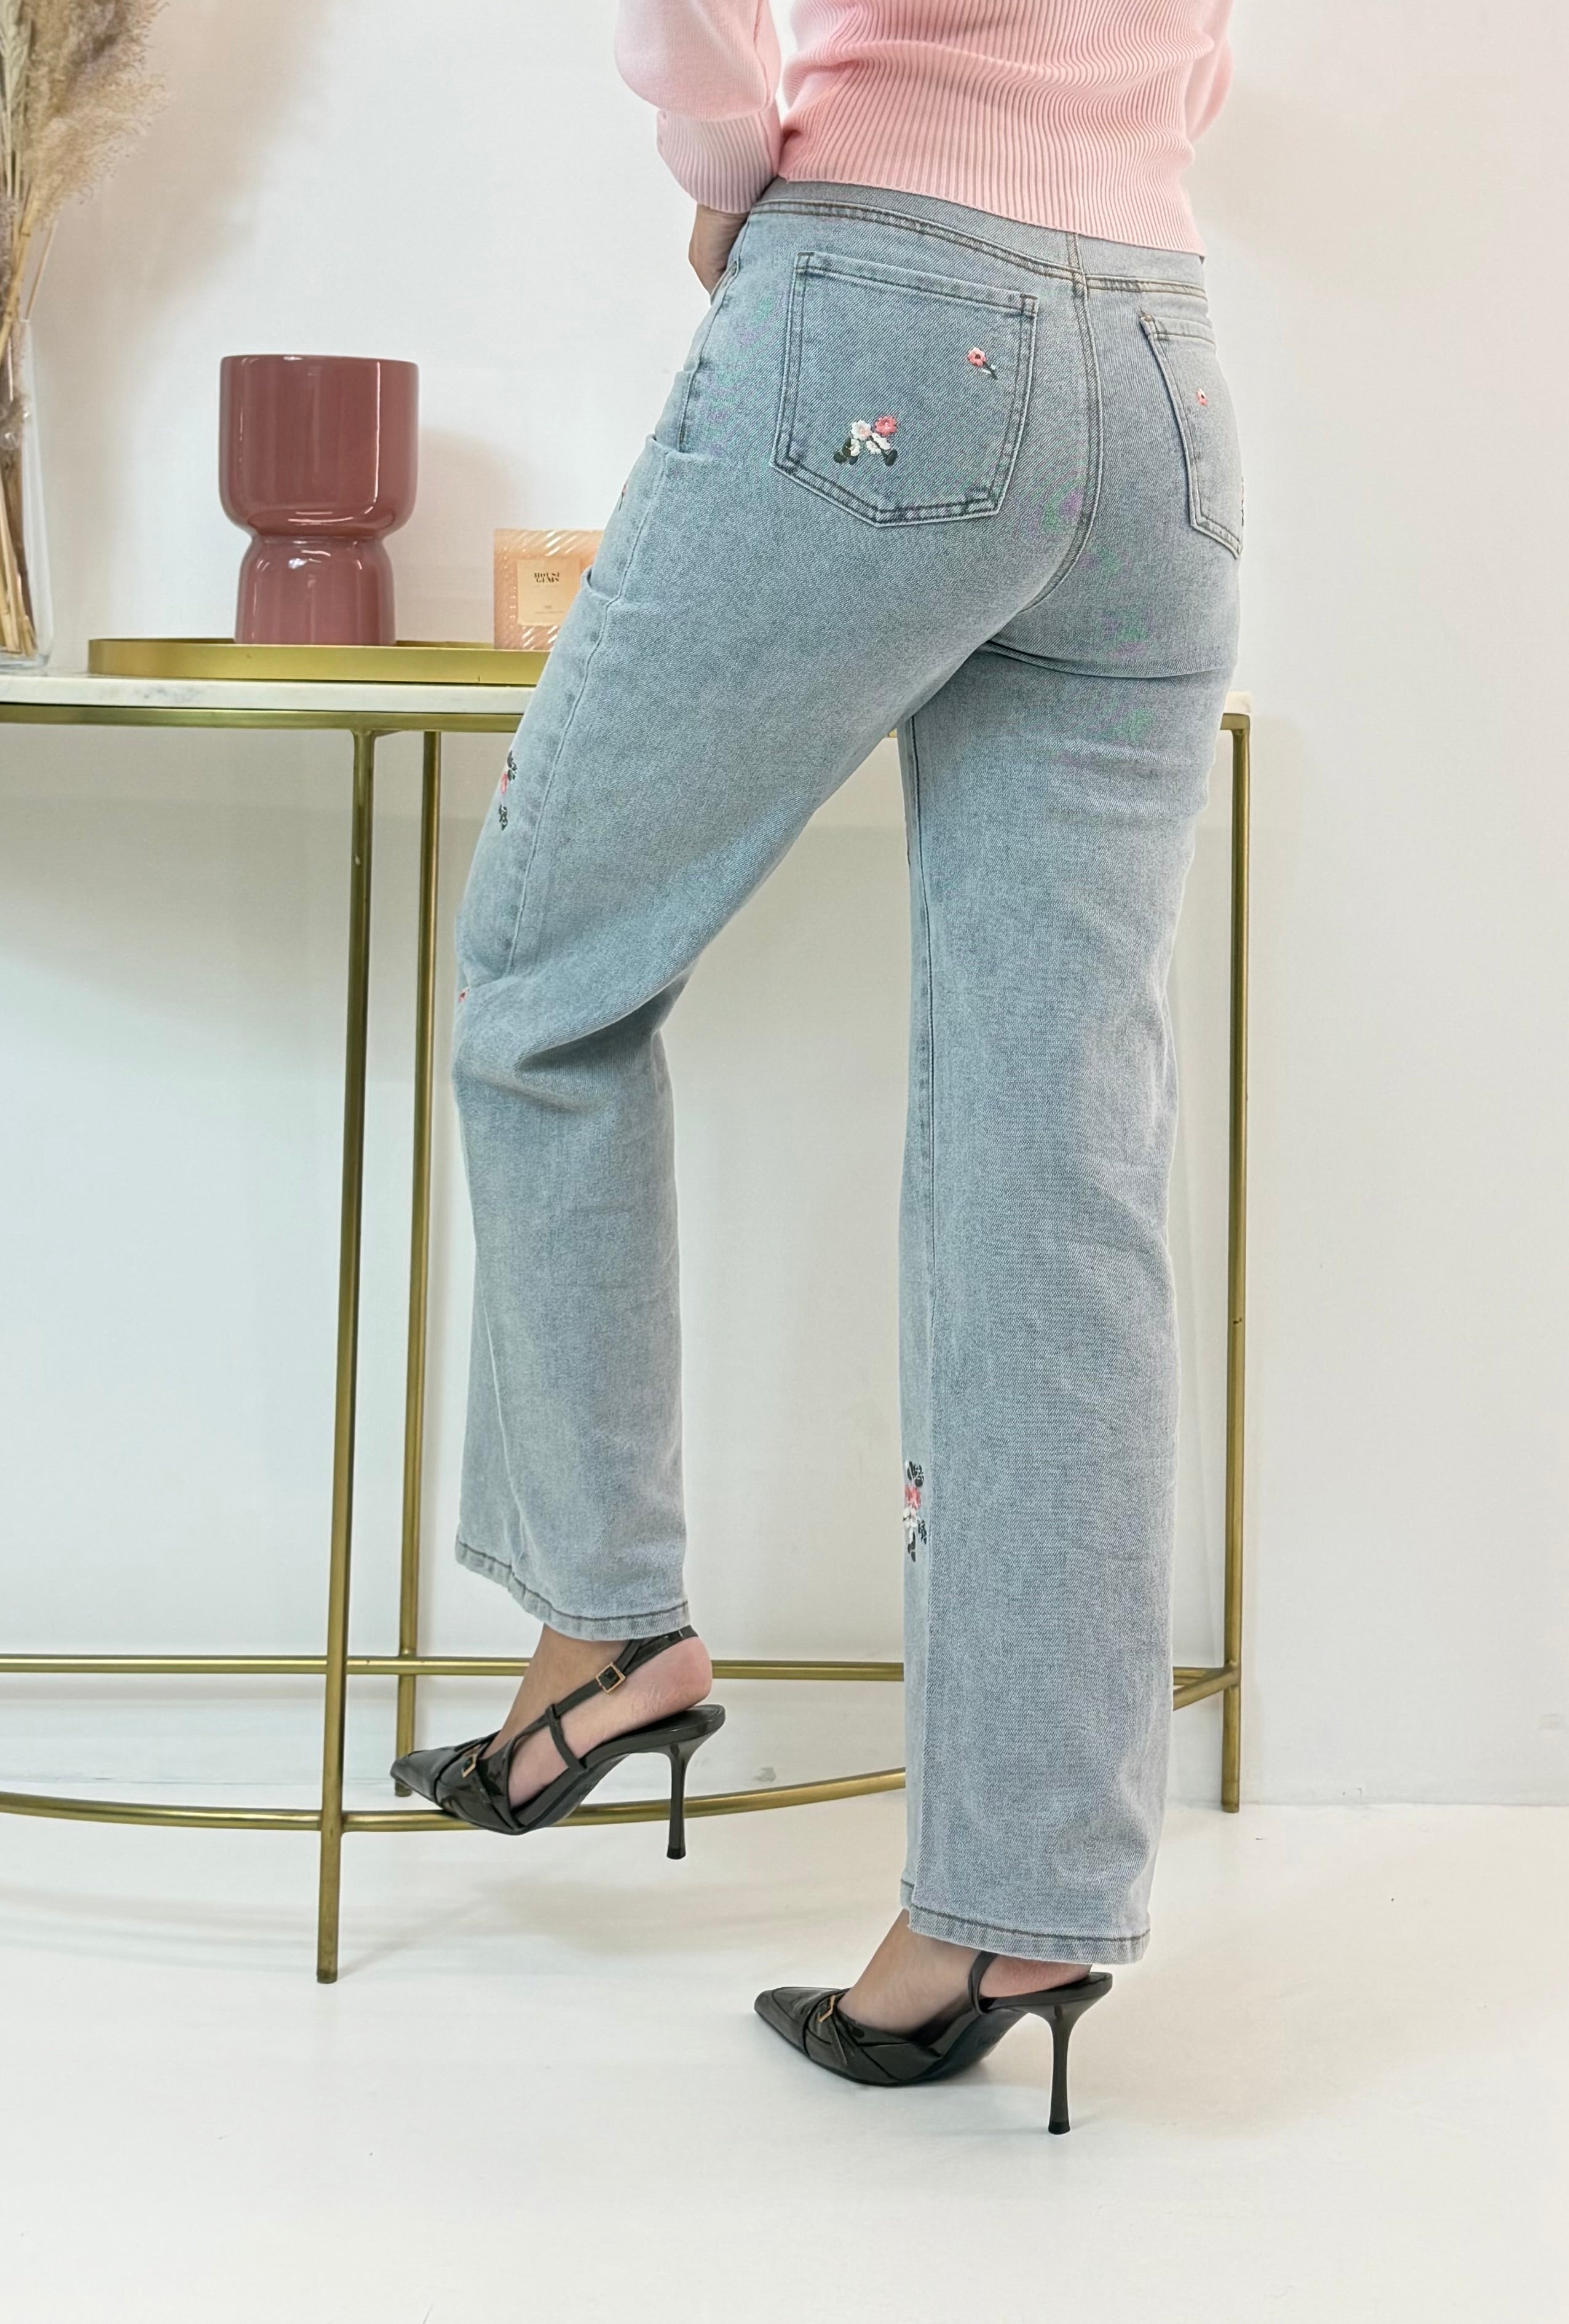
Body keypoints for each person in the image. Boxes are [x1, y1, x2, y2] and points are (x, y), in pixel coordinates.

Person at [395, 0, 1241, 2135]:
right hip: (1161, 371)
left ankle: (606, 1629)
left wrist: (726, 168)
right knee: (1059, 1157)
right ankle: (1013, 1909)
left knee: (547, 983)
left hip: (883, 311)